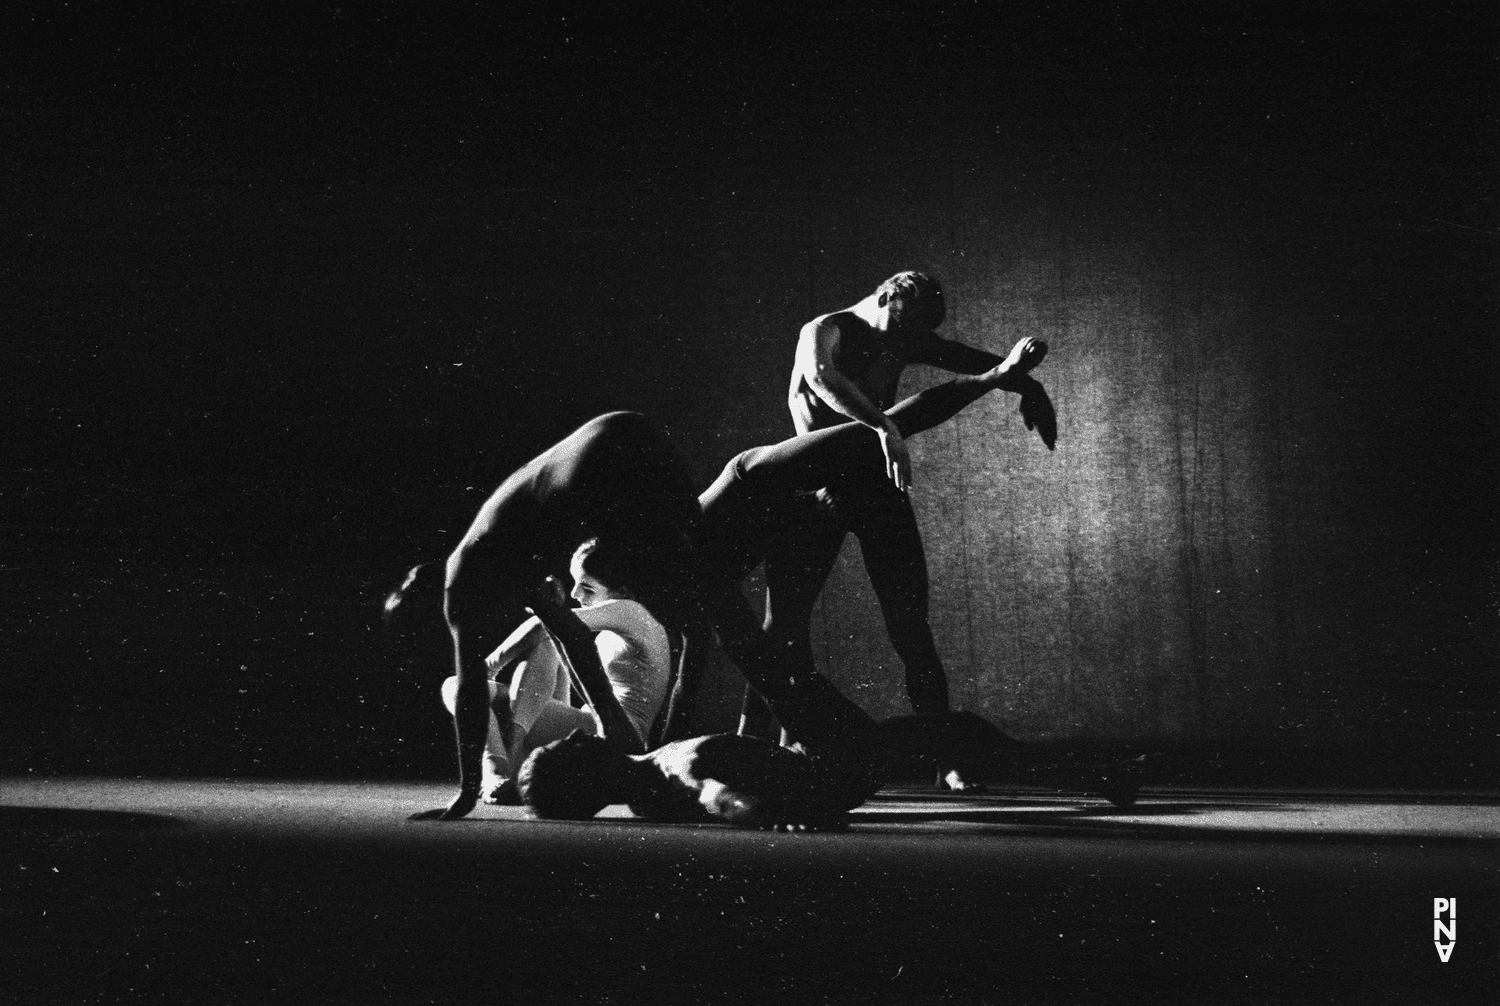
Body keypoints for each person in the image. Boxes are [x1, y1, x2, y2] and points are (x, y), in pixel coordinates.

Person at [393, 345, 1046, 821]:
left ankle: (879, 746)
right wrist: (640, 747)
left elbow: (494, 677)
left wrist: (468, 794)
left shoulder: (474, 575)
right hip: (647, 458)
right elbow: (578, 641)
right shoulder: (559, 558)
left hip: (647, 465)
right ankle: (875, 744)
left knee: (739, 629)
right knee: (746, 634)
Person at [746, 271, 1054, 791]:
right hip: (816, 486)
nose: (901, 342)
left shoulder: (903, 334)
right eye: (900, 326)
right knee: (783, 627)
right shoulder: (825, 330)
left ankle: (946, 756)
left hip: (873, 487)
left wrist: (1028, 382)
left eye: (912, 335)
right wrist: (882, 426)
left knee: (911, 626)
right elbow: (823, 379)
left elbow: (972, 364)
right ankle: (758, 748)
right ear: (885, 295)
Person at [515, 582, 1139, 828]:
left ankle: (1094, 777)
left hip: (824, 760)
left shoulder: (641, 773)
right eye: (563, 748)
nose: (570, 735)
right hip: (841, 763)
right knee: (965, 732)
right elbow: (718, 795)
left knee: (966, 737)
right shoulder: (673, 773)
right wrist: (772, 812)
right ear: (584, 771)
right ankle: (1096, 774)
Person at [437, 537, 674, 804]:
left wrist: (487, 668)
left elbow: (543, 624)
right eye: (574, 582)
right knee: (545, 644)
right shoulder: (624, 616)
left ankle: (498, 769)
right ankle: (507, 758)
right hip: (584, 728)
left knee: (462, 686)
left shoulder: (630, 611)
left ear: (621, 589)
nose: (575, 594)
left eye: (587, 587)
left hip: (608, 737)